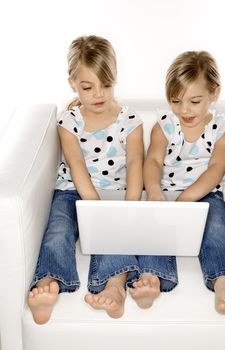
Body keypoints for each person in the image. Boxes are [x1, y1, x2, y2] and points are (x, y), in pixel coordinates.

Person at [27, 35, 178, 324]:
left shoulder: (129, 120)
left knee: (116, 232)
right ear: (73, 83)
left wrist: (127, 207)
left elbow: (136, 162)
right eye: (87, 86)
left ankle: (115, 287)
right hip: (73, 191)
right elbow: (76, 164)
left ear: (116, 79)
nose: (98, 94)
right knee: (58, 231)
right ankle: (50, 282)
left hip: (117, 194)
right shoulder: (68, 121)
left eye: (106, 85)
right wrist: (94, 209)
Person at [143, 51, 225, 318]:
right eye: (176, 101)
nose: (184, 110)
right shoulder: (164, 126)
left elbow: (216, 170)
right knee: (152, 232)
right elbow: (154, 161)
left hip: (205, 196)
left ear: (214, 93)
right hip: (166, 194)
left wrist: (188, 199)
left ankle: (223, 283)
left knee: (216, 230)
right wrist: (156, 192)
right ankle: (152, 278)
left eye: (194, 101)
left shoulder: (223, 130)